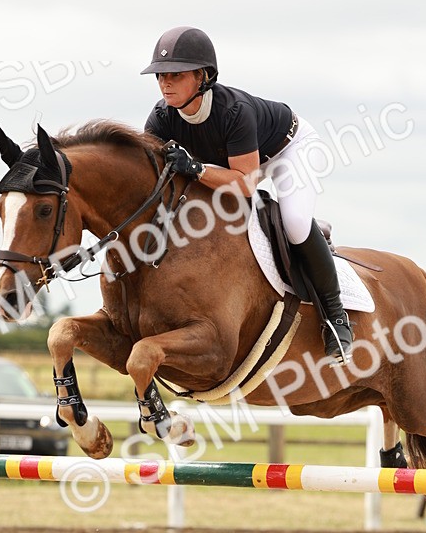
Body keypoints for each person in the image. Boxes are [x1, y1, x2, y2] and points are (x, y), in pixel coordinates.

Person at [141, 25, 354, 364]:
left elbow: (245, 184)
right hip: (234, 167)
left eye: (176, 75)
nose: (165, 82)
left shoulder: (232, 111)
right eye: (161, 75)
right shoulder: (162, 116)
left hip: (287, 152)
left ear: (202, 76)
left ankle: (335, 316)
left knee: (296, 222)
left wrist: (195, 169)